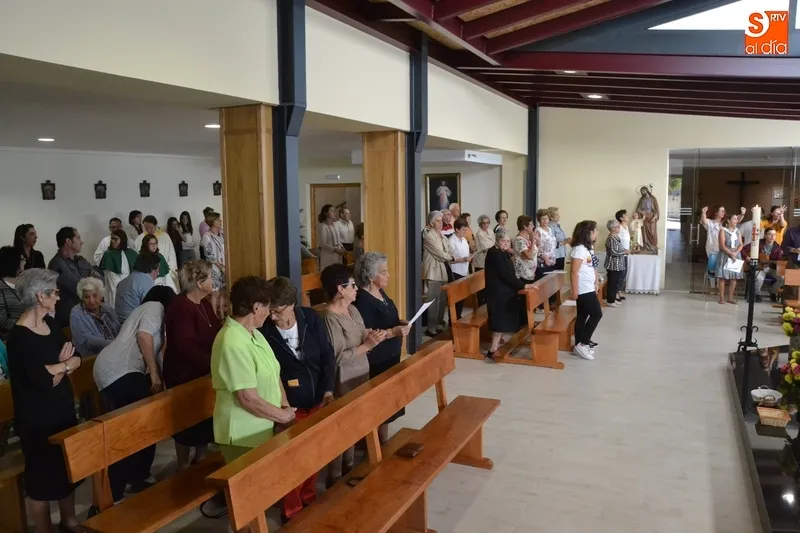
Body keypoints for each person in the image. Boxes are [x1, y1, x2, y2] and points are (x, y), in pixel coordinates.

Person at [7, 269, 85, 532]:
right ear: (40, 296)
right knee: (41, 481)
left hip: (61, 410)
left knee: (66, 470)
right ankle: (45, 529)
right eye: (54, 292)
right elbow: (42, 381)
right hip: (36, 420)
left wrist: (60, 367)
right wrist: (63, 366)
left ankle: (69, 520)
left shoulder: (50, 324)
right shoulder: (19, 338)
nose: (58, 296)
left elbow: (76, 358)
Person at [260, 276, 336, 520]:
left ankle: (308, 495)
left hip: (317, 399)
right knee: (290, 460)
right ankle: (291, 509)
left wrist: (328, 390)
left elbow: (327, 356)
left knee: (313, 454)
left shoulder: (310, 318)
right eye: (269, 310)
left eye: (276, 310)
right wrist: (283, 407)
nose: (272, 316)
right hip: (289, 405)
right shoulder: (266, 331)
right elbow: (272, 373)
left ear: (291, 304)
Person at [93, 286, 175, 503]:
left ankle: (138, 476)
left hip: (119, 370)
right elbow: (144, 336)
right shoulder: (154, 306)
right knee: (128, 431)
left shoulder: (150, 312)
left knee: (143, 424)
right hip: (120, 370)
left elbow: (156, 352)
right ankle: (116, 492)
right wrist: (155, 375)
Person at [211, 276, 295, 477]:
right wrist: (282, 416)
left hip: (263, 425)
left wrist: (284, 407)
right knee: (250, 494)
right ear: (256, 307)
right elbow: (247, 398)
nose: (270, 313)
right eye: (268, 307)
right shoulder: (232, 340)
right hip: (243, 434)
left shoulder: (254, 333)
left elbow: (274, 373)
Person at [322, 264, 384, 484]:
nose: (357, 288)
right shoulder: (330, 318)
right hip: (344, 379)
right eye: (353, 285)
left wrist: (374, 335)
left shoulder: (353, 309)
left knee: (356, 423)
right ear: (340, 289)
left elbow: (362, 333)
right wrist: (367, 346)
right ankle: (336, 475)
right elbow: (337, 357)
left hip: (361, 374)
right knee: (342, 429)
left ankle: (351, 466)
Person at [163, 260, 222, 470]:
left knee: (204, 419)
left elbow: (215, 329)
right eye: (209, 277)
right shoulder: (180, 307)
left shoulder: (204, 302)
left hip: (203, 371)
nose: (213, 281)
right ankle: (182, 465)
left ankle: (201, 459)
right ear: (198, 283)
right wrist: (213, 363)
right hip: (183, 373)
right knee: (185, 423)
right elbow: (184, 346)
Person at [354, 252, 410, 440]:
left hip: (391, 355)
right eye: (383, 272)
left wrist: (399, 322)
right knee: (379, 405)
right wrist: (393, 332)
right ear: (370, 276)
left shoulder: (380, 291)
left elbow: (387, 318)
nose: (388, 275)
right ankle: (375, 445)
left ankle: (383, 440)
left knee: (388, 405)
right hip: (376, 359)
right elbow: (368, 333)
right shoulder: (362, 299)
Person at [484, 231, 535, 360]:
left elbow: (509, 274)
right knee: (499, 320)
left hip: (504, 291)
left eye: (508, 241)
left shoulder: (502, 253)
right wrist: (523, 285)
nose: (506, 244)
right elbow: (506, 275)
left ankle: (497, 345)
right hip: (497, 293)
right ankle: (492, 349)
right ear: (497, 241)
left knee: (502, 319)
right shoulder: (495, 255)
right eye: (503, 241)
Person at [48, 227, 100, 327]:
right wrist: (91, 279)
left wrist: (90, 281)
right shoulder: (57, 263)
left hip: (86, 312)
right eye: (79, 238)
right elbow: (79, 288)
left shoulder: (81, 260)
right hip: (69, 316)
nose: (82, 242)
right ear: (68, 241)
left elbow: (101, 281)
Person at [570, 221, 602, 361]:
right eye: (595, 230)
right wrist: (575, 290)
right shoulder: (579, 250)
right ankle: (583, 343)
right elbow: (574, 271)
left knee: (582, 316)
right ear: (588, 233)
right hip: (583, 288)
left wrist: (596, 281)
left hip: (589, 286)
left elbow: (592, 266)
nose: (597, 233)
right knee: (596, 314)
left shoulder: (588, 247)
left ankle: (578, 344)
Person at [422, 211, 454, 337]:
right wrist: (450, 257)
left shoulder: (442, 236)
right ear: (431, 222)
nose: (441, 223)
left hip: (443, 270)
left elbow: (449, 250)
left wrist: (449, 256)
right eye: (438, 221)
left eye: (442, 221)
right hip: (433, 271)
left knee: (442, 300)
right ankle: (431, 328)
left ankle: (439, 324)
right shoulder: (429, 235)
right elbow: (440, 254)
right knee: (433, 300)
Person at [69, 278, 120, 356]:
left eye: (95, 295)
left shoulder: (108, 309)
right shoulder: (76, 314)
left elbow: (118, 329)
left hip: (115, 352)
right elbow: (87, 340)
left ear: (101, 296)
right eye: (86, 297)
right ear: (82, 298)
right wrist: (114, 344)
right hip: (93, 359)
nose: (91, 301)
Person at [115, 253, 160, 323]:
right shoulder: (147, 284)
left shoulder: (123, 282)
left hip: (118, 325)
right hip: (134, 326)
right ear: (152, 269)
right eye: (157, 270)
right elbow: (152, 312)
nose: (158, 273)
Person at [134, 216, 178, 285]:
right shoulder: (140, 238)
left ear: (155, 225)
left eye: (151, 228)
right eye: (146, 228)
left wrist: (171, 270)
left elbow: (171, 254)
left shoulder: (164, 236)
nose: (148, 230)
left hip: (162, 272)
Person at [99, 230, 138, 306]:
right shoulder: (108, 254)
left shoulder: (132, 253)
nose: (113, 241)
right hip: (115, 288)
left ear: (122, 239)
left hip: (130, 287)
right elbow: (111, 278)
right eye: (112, 239)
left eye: (116, 239)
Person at [201, 212, 226, 317]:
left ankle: (223, 314)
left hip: (224, 265)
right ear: (212, 222)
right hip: (214, 267)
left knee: (223, 292)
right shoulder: (207, 236)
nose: (220, 221)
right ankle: (214, 315)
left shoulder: (222, 233)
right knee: (215, 293)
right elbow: (209, 254)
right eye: (218, 219)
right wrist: (220, 266)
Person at [448, 218, 473, 320]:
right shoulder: (451, 241)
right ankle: (453, 319)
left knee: (462, 296)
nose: (465, 232)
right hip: (455, 271)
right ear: (457, 229)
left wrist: (470, 257)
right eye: (463, 230)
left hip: (464, 271)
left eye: (466, 229)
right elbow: (450, 259)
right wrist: (464, 259)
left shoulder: (464, 240)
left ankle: (459, 315)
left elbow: (465, 253)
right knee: (455, 298)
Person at [716, 214, 744, 305]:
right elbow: (722, 245)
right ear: (728, 220)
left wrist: (735, 253)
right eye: (734, 219)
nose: (736, 221)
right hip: (725, 254)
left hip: (736, 255)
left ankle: (730, 298)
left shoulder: (737, 231)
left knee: (733, 278)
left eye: (736, 219)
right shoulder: (723, 230)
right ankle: (721, 298)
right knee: (723, 278)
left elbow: (741, 244)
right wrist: (730, 254)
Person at [754, 228, 785, 302]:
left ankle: (772, 291)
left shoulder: (778, 247)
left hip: (772, 268)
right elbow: (744, 250)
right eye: (770, 234)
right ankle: (757, 294)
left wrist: (770, 261)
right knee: (758, 278)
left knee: (782, 278)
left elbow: (779, 260)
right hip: (760, 267)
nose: (772, 236)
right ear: (765, 235)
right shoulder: (757, 243)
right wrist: (747, 257)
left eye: (774, 235)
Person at [0, 246, 23, 342]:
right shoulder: (1, 287)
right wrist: (26, 327)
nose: (24, 262)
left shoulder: (25, 283)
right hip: (10, 339)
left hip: (31, 334)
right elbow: (2, 319)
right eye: (22, 259)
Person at [604, 220, 627, 307]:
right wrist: (625, 252)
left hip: (618, 264)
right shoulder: (611, 238)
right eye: (617, 226)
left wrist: (624, 251)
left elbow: (619, 249)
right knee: (612, 283)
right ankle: (610, 301)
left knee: (616, 282)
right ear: (613, 228)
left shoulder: (616, 237)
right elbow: (613, 252)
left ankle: (613, 299)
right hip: (613, 264)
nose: (619, 228)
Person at [317, 204, 346, 270]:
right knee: (331, 272)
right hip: (329, 255)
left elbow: (338, 239)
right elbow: (322, 243)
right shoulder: (323, 226)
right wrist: (336, 250)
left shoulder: (335, 225)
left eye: (334, 211)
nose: (334, 213)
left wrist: (342, 247)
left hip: (338, 254)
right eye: (331, 211)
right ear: (326, 213)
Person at [700, 205, 726, 281]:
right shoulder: (711, 223)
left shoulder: (724, 224)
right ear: (716, 212)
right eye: (721, 211)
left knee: (720, 269)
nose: (723, 212)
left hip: (722, 250)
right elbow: (704, 220)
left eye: (724, 211)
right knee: (713, 268)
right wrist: (703, 212)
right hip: (712, 249)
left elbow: (737, 221)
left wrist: (742, 214)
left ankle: (718, 286)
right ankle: (712, 287)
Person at [634, 186, 660, 252]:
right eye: (642, 192)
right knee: (643, 232)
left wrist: (655, 216)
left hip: (651, 217)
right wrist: (640, 212)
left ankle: (653, 246)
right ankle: (645, 246)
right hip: (643, 218)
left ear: (647, 190)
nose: (643, 192)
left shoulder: (653, 199)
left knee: (652, 232)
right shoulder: (641, 199)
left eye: (644, 191)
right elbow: (638, 209)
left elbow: (656, 209)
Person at [534, 209, 557, 282]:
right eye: (542, 219)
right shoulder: (538, 230)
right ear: (539, 220)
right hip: (543, 261)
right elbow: (535, 247)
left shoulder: (549, 229)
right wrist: (544, 257)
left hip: (551, 261)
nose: (545, 221)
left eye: (546, 218)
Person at [614, 210, 630, 301]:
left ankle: (619, 291)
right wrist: (623, 250)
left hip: (625, 254)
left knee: (624, 273)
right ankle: (615, 293)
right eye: (625, 215)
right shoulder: (618, 227)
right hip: (620, 254)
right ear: (621, 218)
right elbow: (617, 241)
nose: (627, 217)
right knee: (619, 274)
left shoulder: (626, 227)